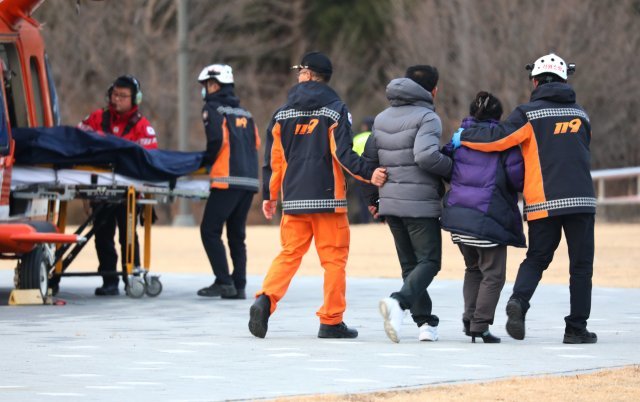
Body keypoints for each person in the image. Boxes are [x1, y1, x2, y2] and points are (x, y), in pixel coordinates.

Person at [454, 53, 597, 344]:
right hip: (582, 199)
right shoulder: (581, 114)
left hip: (543, 202)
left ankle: (519, 302)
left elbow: (497, 140)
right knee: (581, 267)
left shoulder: (528, 113)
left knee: (537, 258)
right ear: (564, 79)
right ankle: (576, 330)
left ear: (535, 80)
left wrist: (465, 137)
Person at [249, 51, 387, 339]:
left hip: (294, 200)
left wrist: (270, 195)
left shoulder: (281, 113)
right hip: (329, 200)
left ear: (310, 75)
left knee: (289, 254)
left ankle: (265, 299)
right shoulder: (335, 109)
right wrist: (369, 174)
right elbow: (344, 154)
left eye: (301, 71)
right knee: (334, 261)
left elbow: (274, 159)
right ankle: (331, 321)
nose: (298, 75)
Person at [363, 65, 453, 343]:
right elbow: (426, 157)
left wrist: (373, 198)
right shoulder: (427, 117)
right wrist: (454, 170)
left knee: (410, 265)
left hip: (390, 202)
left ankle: (425, 324)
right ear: (434, 90)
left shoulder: (380, 118)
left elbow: (369, 160)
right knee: (430, 261)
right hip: (420, 203)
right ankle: (398, 302)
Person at [440, 91, 525, 343]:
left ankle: (469, 319)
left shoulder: (459, 138)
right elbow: (518, 179)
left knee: (473, 268)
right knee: (493, 274)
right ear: (498, 117)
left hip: (458, 217)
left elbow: (445, 164)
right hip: (489, 219)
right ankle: (480, 325)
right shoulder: (505, 142)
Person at [78, 75, 158, 296]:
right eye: (115, 95)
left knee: (128, 236)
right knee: (103, 236)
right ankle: (109, 281)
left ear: (135, 99)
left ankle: (132, 279)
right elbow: (78, 138)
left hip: (129, 194)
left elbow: (149, 158)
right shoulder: (96, 118)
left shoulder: (143, 126)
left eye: (123, 96)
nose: (117, 100)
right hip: (100, 190)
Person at [196, 64, 260, 300]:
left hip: (226, 179)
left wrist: (203, 162)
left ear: (214, 85)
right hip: (249, 181)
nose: (204, 91)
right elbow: (256, 144)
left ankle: (223, 282)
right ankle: (239, 284)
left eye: (205, 86)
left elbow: (216, 140)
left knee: (209, 230)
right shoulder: (246, 113)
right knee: (236, 234)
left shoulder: (212, 108)